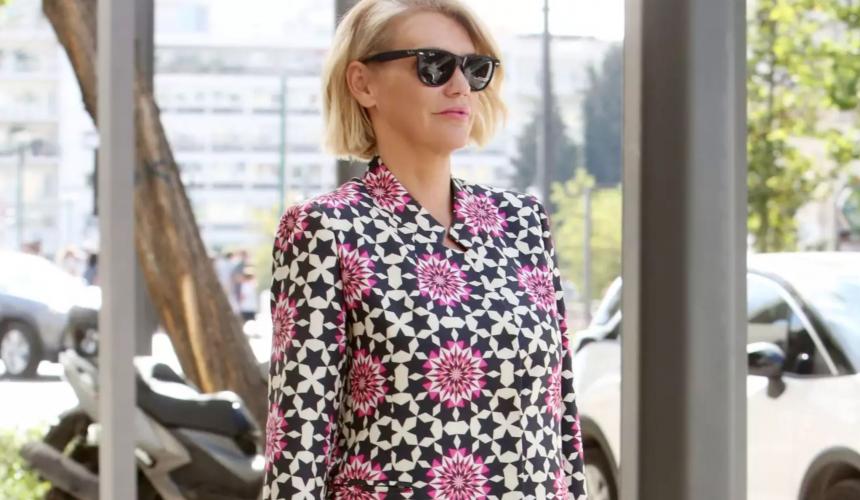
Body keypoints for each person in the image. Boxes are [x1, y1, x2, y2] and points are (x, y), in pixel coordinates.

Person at [263, 1, 587, 498]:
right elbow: (298, 444)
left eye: (474, 69)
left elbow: (562, 422)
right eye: (433, 65)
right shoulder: (325, 230)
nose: (459, 86)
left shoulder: (522, 222)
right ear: (362, 83)